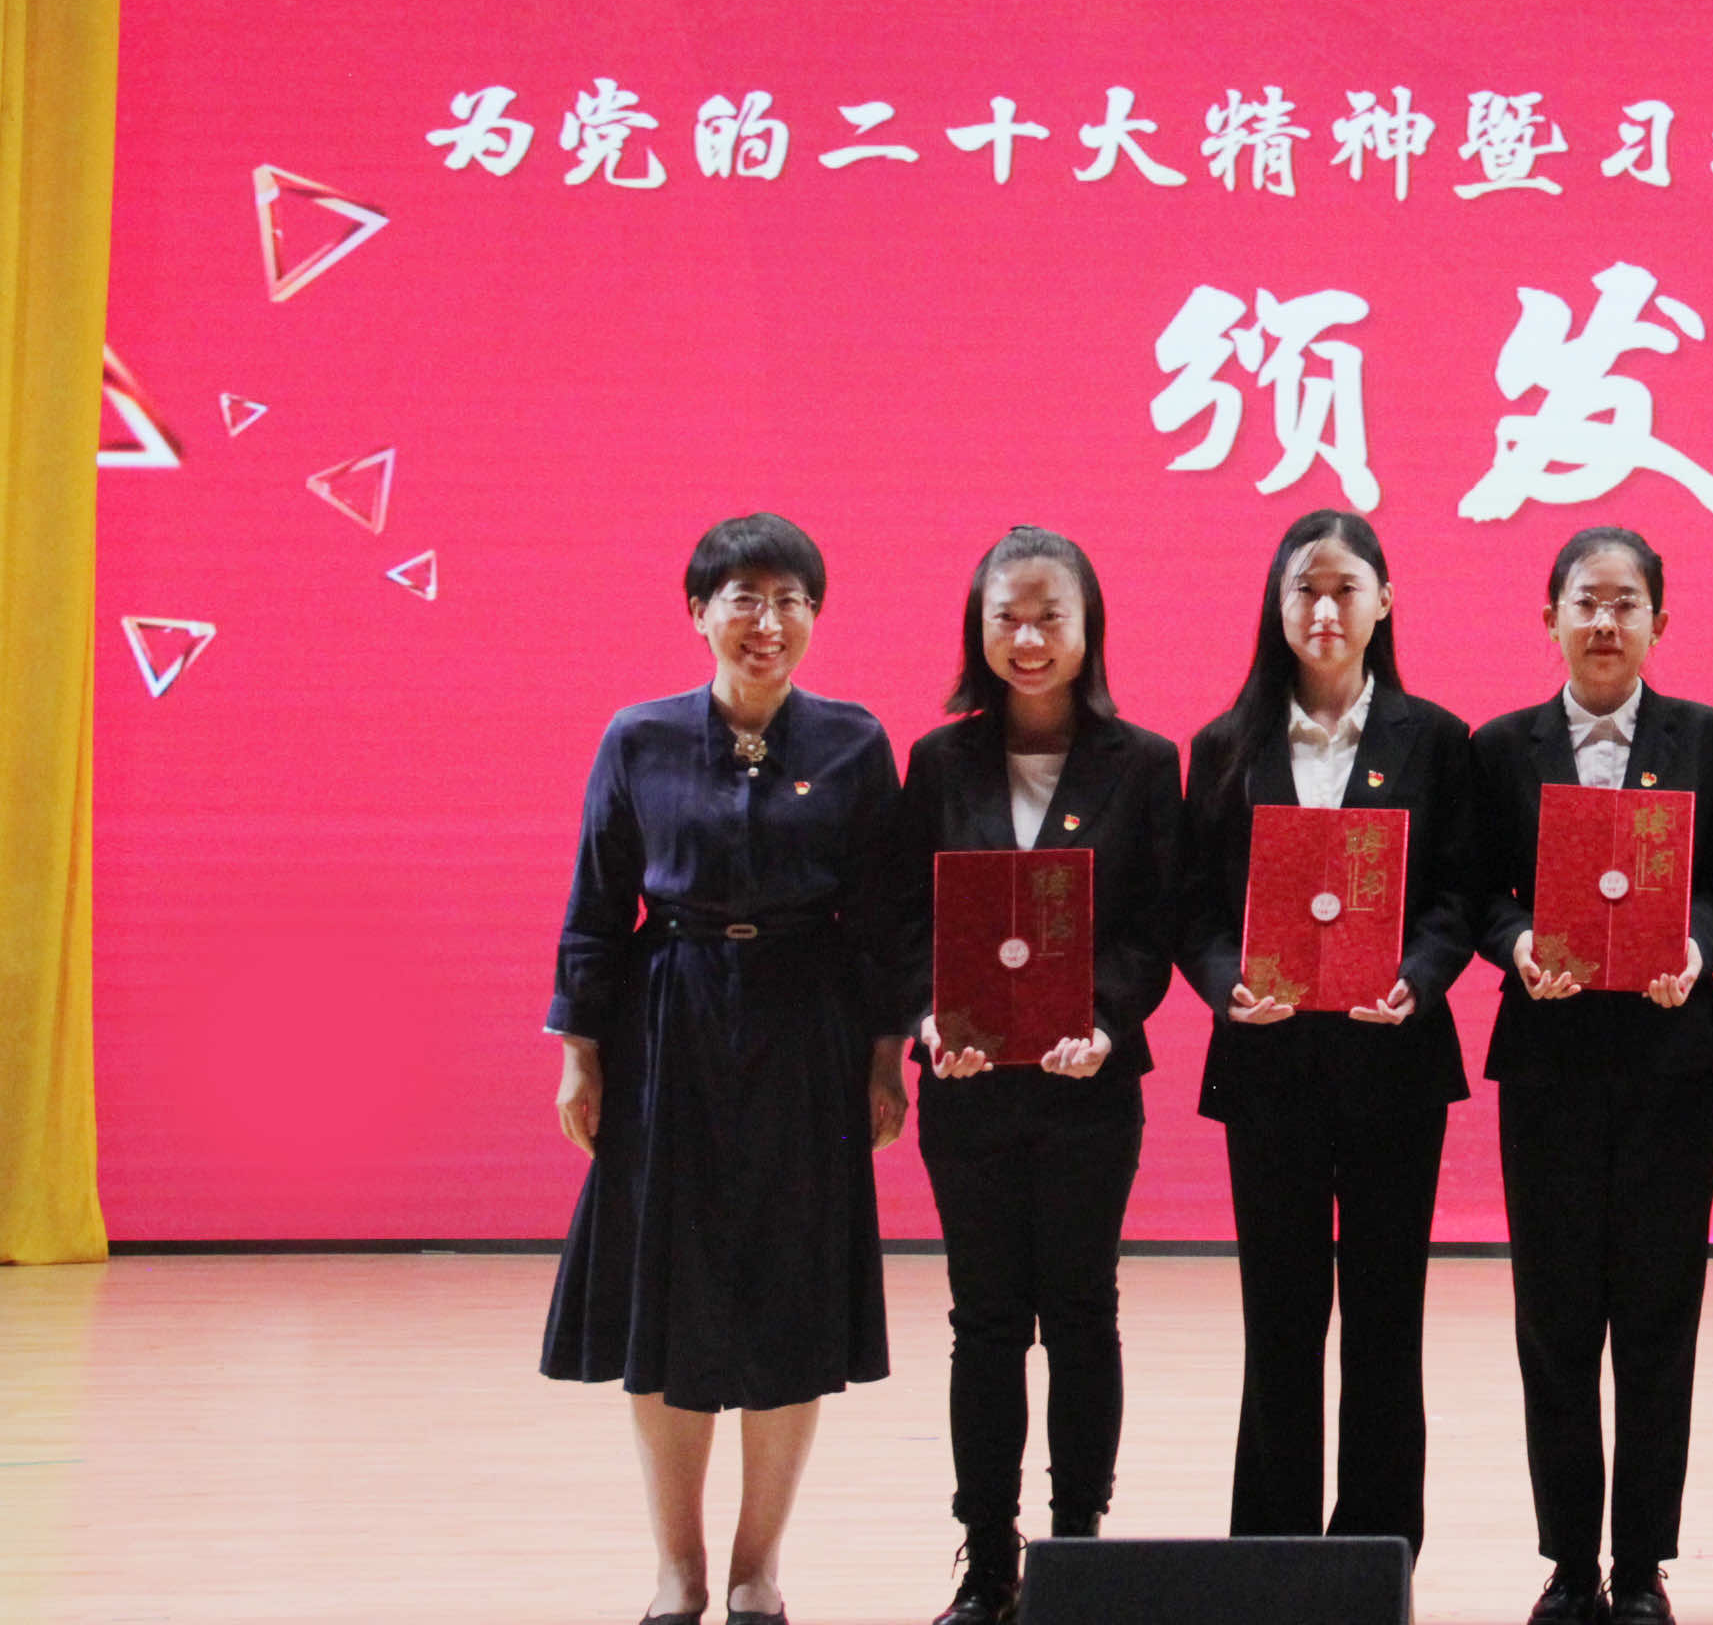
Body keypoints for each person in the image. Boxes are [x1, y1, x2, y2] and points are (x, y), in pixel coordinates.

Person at [542, 512, 917, 1625]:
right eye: (744, 597)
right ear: (699, 612)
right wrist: (580, 1056)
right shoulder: (639, 739)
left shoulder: (854, 743)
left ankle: (757, 1570)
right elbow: (597, 908)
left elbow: (885, 923)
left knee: (791, 1298)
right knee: (670, 1298)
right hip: (670, 1028)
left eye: (792, 600)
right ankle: (679, 1569)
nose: (769, 621)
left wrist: (885, 1057)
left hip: (808, 1031)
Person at [1179, 508, 1479, 1555]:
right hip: (1269, 1070)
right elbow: (1195, 912)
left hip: (1393, 1066)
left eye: (1345, 588)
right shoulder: (1224, 747)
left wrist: (1417, 979)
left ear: (1383, 601)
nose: (1323, 610)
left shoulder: (1434, 740)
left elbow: (1456, 898)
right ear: (1276, 605)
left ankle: (1375, 1556)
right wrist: (1226, 985)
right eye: (1303, 589)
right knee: (1280, 1320)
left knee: (1387, 1322)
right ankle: (1272, 1558)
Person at [900, 527, 1183, 1625]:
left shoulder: (1143, 763)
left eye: (1049, 616)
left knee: (1080, 1312)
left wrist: (1107, 1021)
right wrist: (929, 1019)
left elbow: (1154, 927)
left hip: (1088, 1089)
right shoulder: (937, 763)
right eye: (1006, 618)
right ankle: (987, 1561)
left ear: (1087, 627)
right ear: (977, 629)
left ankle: (1074, 1552)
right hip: (968, 1088)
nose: (1028, 639)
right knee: (983, 1322)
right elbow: (901, 922)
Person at [1471, 526, 1713, 1625]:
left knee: (1659, 1320)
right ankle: (1570, 1563)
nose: (1603, 622)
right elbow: (1478, 891)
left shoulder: (1709, 742)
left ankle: (1640, 1568)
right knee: (1554, 1322)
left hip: (1670, 1062)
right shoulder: (1503, 748)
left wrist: (1701, 949)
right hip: (1549, 1066)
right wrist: (1516, 945)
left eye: (1626, 603)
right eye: (1585, 602)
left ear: (1659, 623)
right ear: (1549, 618)